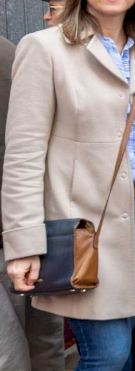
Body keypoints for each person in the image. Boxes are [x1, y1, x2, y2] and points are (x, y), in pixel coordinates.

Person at [3, 0, 135, 371]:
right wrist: (23, 244)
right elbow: (23, 154)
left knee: (126, 350)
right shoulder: (44, 48)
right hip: (80, 228)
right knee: (107, 354)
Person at [0, 34, 66, 371]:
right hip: (35, 226)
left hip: (24, 229)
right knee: (43, 343)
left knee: (15, 352)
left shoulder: (15, 54)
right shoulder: (15, 51)